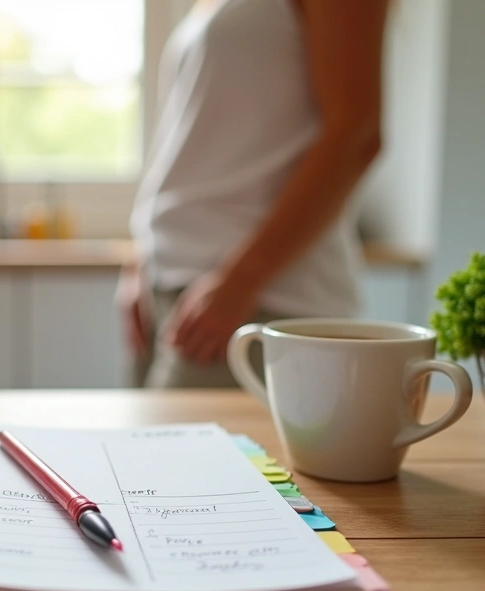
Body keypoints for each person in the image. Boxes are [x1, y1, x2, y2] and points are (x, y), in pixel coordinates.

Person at [120, 0, 388, 388]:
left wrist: (241, 280)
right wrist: (142, 255)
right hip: (170, 288)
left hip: (254, 303)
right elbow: (191, 138)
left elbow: (356, 132)